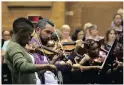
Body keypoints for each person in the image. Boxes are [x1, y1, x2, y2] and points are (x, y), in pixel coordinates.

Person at [4, 17, 57, 84]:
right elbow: (23, 66)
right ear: (22, 32)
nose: (30, 38)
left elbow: (33, 73)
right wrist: (47, 66)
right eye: (29, 34)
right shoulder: (13, 46)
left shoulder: (19, 46)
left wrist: (50, 64)